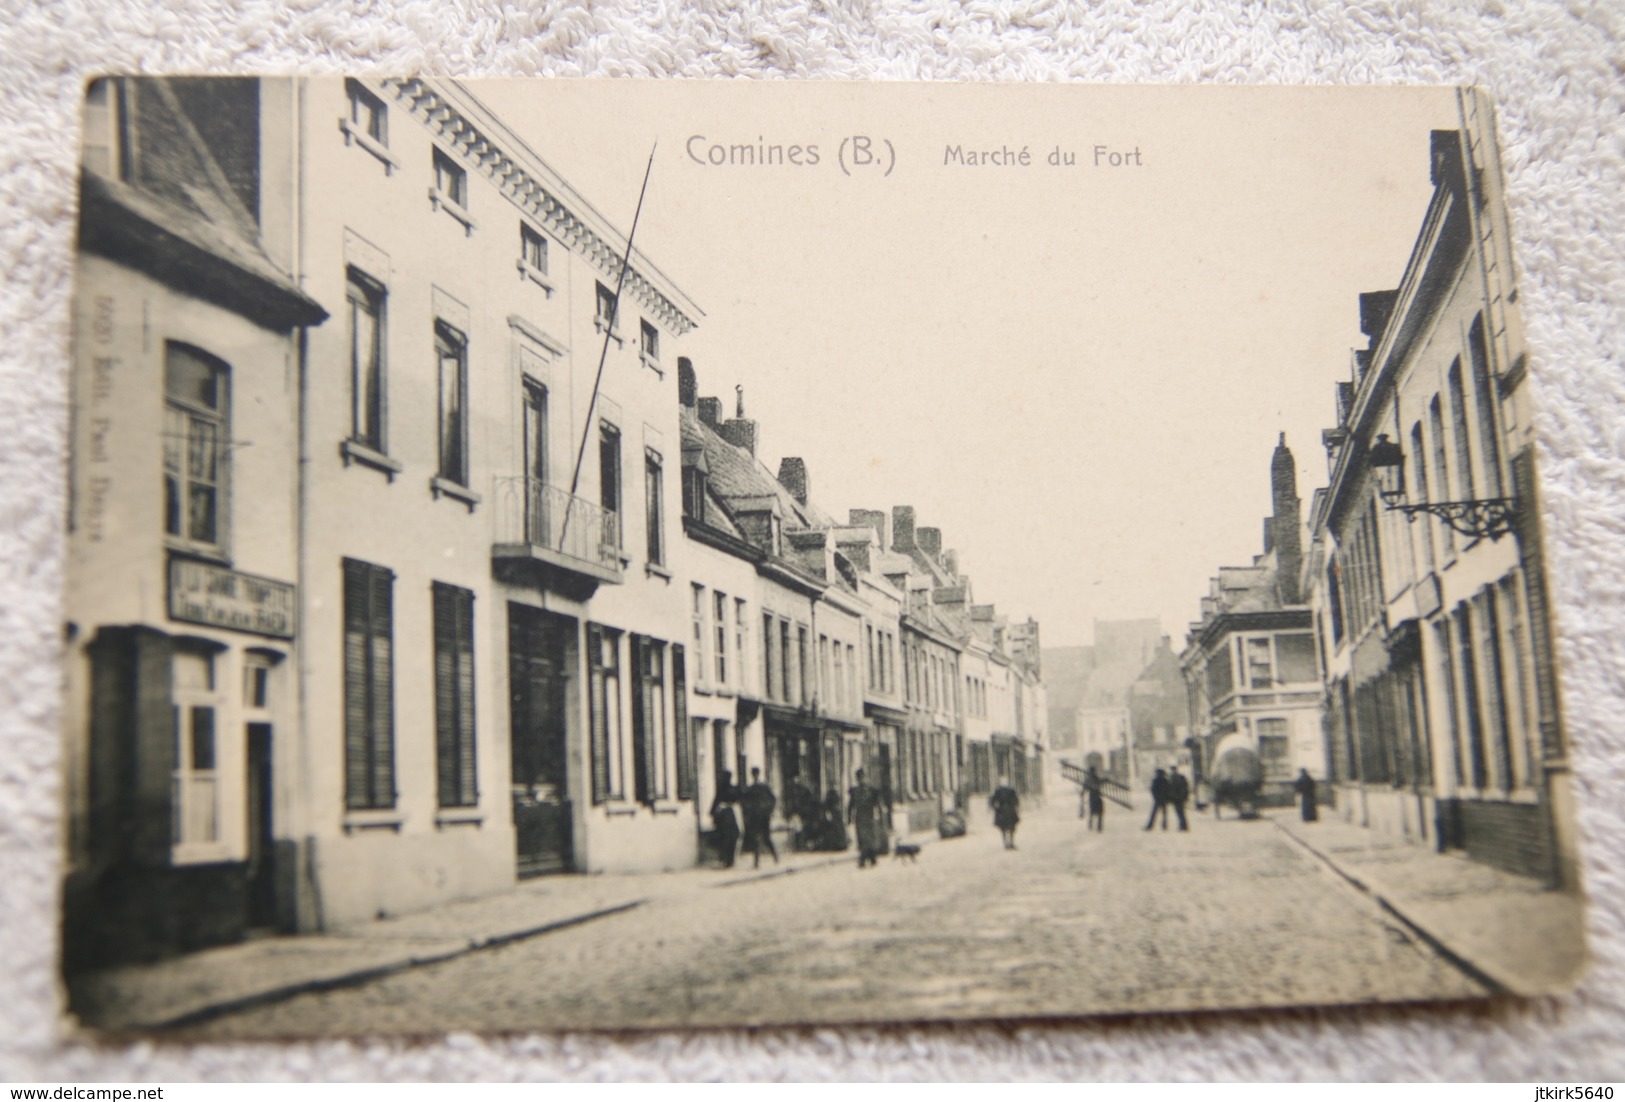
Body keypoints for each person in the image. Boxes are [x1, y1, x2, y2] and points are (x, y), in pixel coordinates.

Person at [740, 767, 780, 868]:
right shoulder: (752, 788)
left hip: (761, 816)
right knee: (758, 838)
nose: (755, 776)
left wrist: (769, 811)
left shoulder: (760, 787)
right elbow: (745, 803)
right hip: (758, 816)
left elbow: (773, 799)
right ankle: (758, 861)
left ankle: (774, 856)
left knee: (765, 838)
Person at [848, 768, 886, 868]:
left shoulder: (872, 789)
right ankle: (872, 858)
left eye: (862, 777)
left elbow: (878, 803)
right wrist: (849, 818)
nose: (861, 780)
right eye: (859, 778)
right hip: (859, 817)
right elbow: (851, 805)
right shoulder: (854, 791)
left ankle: (863, 859)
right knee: (862, 839)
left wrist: (880, 814)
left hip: (870, 817)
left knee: (868, 839)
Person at [710, 771, 741, 868]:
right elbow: (738, 799)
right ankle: (729, 859)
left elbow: (716, 801)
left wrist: (712, 812)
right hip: (730, 814)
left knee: (724, 837)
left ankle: (725, 858)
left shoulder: (721, 789)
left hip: (723, 815)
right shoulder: (733, 789)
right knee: (731, 836)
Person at [989, 783, 1021, 850]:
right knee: (1005, 828)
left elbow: (1016, 800)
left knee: (1009, 828)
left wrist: (995, 808)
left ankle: (1009, 843)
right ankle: (1007, 843)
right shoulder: (999, 790)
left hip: (1005, 811)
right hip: (1006, 811)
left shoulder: (1009, 790)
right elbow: (993, 800)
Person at [821, 786, 850, 851]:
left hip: (835, 814)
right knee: (837, 828)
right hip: (835, 813)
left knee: (837, 828)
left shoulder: (830, 795)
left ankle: (839, 844)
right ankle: (839, 844)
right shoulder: (833, 795)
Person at [1168, 765, 1191, 832]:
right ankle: (1184, 826)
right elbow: (1186, 786)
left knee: (1179, 812)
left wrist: (1171, 797)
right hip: (1181, 797)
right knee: (1181, 812)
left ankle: (1182, 826)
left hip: (1176, 798)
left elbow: (1171, 789)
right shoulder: (1181, 777)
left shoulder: (1172, 778)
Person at [1084, 765, 1105, 833]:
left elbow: (1085, 787)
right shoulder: (1095, 778)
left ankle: (1091, 825)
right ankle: (1099, 827)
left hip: (1092, 797)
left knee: (1092, 812)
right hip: (1097, 796)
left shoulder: (1088, 779)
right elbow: (1099, 782)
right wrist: (1104, 780)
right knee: (1099, 812)